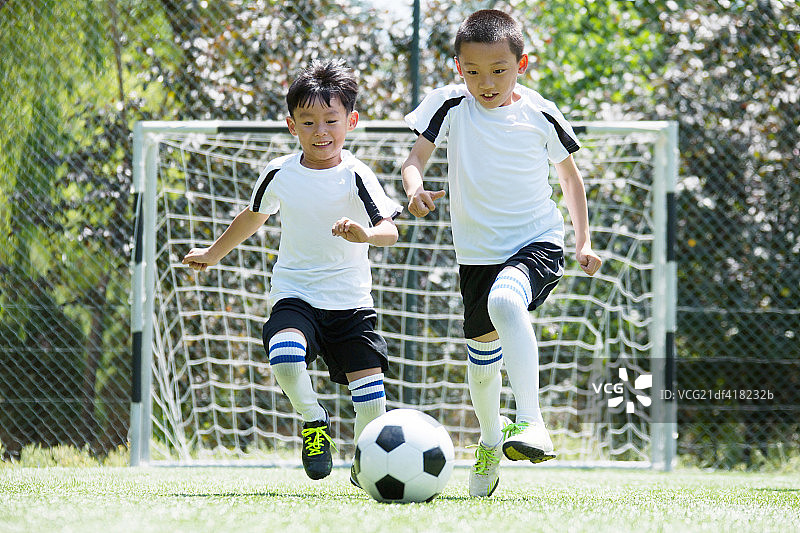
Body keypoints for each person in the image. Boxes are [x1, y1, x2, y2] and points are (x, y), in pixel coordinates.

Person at [401, 9, 602, 498]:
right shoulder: (448, 105)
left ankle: (532, 424)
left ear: (522, 65)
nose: (485, 82)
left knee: (507, 302)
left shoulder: (540, 112)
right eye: (472, 72)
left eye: (498, 70)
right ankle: (491, 441)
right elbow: (414, 160)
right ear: (457, 68)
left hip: (536, 240)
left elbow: (569, 178)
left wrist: (583, 240)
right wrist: (415, 190)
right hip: (476, 255)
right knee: (482, 364)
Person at [183, 59, 402, 482]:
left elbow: (389, 230)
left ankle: (366, 468)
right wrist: (213, 253)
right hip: (295, 292)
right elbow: (253, 216)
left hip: (350, 303)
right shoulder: (279, 173)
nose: (321, 131)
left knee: (372, 404)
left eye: (331, 120)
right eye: (309, 121)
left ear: (351, 121)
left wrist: (365, 236)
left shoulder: (357, 174)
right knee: (284, 355)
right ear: (291, 125)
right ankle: (313, 419)